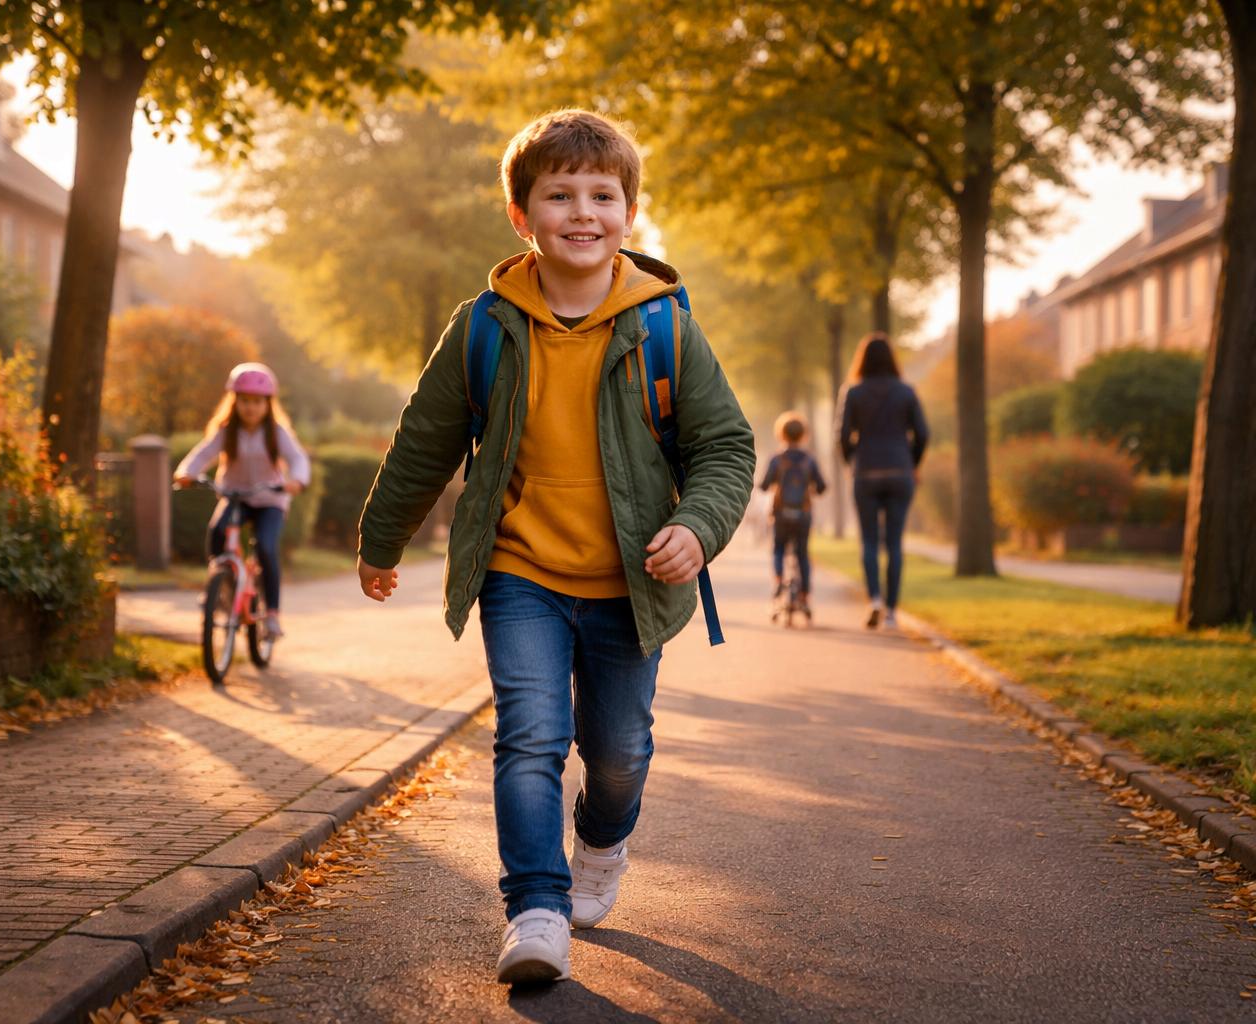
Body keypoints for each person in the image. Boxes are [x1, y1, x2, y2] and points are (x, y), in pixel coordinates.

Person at [355, 109, 754, 986]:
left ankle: (601, 842)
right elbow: (423, 444)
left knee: (618, 754)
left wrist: (697, 527)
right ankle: (535, 908)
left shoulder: (664, 327)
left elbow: (725, 447)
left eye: (602, 195)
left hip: (630, 582)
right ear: (521, 215)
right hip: (520, 574)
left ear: (629, 213)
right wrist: (381, 542)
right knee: (529, 736)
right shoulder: (484, 327)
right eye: (560, 194)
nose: (583, 212)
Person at [175, 362, 310, 639]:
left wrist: (296, 480)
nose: (251, 407)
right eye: (245, 401)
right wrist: (186, 472)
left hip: (270, 500)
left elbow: (298, 459)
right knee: (216, 531)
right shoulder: (226, 431)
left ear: (268, 404)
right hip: (235, 497)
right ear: (234, 401)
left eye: (257, 402)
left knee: (266, 547)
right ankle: (220, 587)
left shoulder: (276, 432)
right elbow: (202, 454)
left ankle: (271, 615)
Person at [835, 332, 929, 631]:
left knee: (869, 541)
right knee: (895, 543)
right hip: (900, 471)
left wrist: (851, 462)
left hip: (866, 471)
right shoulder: (906, 392)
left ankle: (874, 598)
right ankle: (891, 612)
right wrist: (912, 463)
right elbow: (923, 434)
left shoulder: (853, 392)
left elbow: (842, 435)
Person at [758, 411, 827, 613]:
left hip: (780, 514)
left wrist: (770, 485)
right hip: (803, 514)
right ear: (803, 434)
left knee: (778, 548)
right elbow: (822, 487)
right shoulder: (809, 460)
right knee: (803, 554)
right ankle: (804, 595)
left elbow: (764, 485)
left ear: (781, 433)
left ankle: (779, 580)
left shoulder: (776, 459)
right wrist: (813, 489)